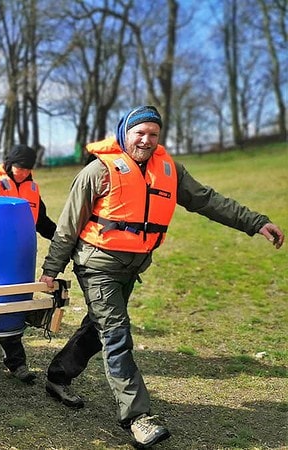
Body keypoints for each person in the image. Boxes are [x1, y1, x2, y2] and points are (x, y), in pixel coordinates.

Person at [38, 106, 284, 449]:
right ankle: (138, 417)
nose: (146, 140)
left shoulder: (170, 170)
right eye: (140, 133)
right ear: (124, 133)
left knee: (98, 328)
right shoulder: (98, 171)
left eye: (153, 134)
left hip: (132, 267)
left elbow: (208, 200)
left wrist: (255, 222)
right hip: (97, 265)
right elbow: (67, 226)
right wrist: (51, 270)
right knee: (116, 334)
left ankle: (58, 375)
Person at [0, 144, 58, 383]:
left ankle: (16, 363)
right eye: (19, 168)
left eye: (27, 169)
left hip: (18, 258)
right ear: (9, 164)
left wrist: (60, 238)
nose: (23, 173)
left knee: (12, 305)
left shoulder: (32, 189)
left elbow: (41, 221)